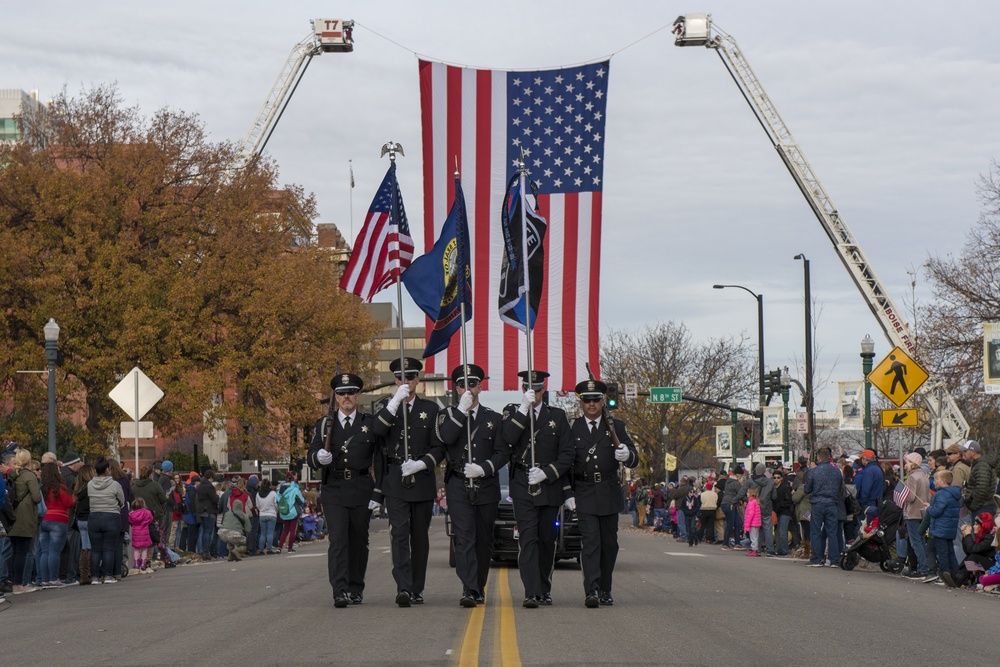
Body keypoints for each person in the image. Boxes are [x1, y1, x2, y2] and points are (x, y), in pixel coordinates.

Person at [371, 357, 443, 607]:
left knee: (419, 537)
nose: (407, 381)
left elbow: (439, 446)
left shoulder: (431, 409)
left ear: (418, 380)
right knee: (399, 534)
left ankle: (416, 587)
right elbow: (376, 433)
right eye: (401, 378)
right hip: (395, 480)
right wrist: (394, 403)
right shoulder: (386, 407)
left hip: (421, 479)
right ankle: (403, 587)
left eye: (411, 377)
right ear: (396, 380)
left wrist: (423, 463)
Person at [435, 364, 509, 608]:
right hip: (458, 484)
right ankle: (469, 588)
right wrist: (461, 411)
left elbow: (502, 453)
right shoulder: (447, 415)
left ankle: (478, 586)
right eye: (462, 384)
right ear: (455, 388)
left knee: (483, 539)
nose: (468, 388)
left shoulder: (493, 418)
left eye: (473, 384)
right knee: (464, 536)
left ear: (480, 386)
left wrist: (485, 467)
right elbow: (446, 438)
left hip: (485, 484)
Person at [501, 369, 574, 608]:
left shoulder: (558, 416)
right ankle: (531, 592)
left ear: (545, 390)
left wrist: (547, 472)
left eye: (539, 389)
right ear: (523, 389)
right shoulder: (512, 412)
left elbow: (567, 454)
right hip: (522, 483)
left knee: (546, 539)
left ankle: (544, 587)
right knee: (528, 538)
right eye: (529, 389)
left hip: (548, 483)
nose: (535, 392)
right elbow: (508, 439)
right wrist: (524, 408)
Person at [307, 372, 380, 608]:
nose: (346, 396)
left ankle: (355, 587)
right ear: (335, 397)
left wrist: (378, 492)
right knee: (338, 540)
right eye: (341, 393)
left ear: (358, 395)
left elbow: (380, 460)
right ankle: (340, 590)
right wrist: (319, 457)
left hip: (361, 488)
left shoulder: (370, 424)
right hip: (335, 489)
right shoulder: (323, 425)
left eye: (351, 392)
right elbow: (310, 458)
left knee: (359, 540)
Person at [568, 379, 638, 608]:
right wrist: (567, 493)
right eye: (586, 400)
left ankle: (606, 588)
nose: (591, 404)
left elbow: (634, 458)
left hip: (608, 491)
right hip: (585, 492)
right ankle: (592, 590)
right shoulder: (573, 427)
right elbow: (566, 463)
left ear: (602, 401)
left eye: (595, 399)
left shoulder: (616, 426)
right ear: (581, 403)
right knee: (590, 544)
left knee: (609, 545)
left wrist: (627, 454)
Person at [37, 461, 76, 589]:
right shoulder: (60, 486)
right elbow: (68, 502)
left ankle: (45, 579)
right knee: (55, 551)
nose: (60, 472)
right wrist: (75, 495)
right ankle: (54, 579)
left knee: (45, 551)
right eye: (58, 470)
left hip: (44, 520)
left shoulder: (41, 487)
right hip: (58, 520)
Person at [8, 450, 42, 594]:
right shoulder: (29, 475)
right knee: (22, 551)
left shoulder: (12, 474)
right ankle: (19, 585)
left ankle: (13, 581)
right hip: (25, 516)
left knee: (14, 552)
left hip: (11, 515)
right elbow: (37, 497)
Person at [88, 458, 126, 584]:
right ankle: (108, 575)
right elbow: (122, 500)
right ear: (106, 469)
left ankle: (94, 577)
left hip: (94, 517)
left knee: (95, 549)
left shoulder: (90, 484)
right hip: (111, 516)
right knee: (109, 548)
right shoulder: (115, 484)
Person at [805, 447, 844, 567]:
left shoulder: (814, 471)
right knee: (832, 532)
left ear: (819, 457)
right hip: (832, 504)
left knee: (815, 532)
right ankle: (834, 559)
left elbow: (807, 489)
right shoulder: (836, 471)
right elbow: (840, 489)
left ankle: (817, 558)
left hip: (817, 504)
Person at [942, 511, 997, 588]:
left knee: (974, 556)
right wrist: (965, 536)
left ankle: (958, 579)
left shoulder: (990, 537)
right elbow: (968, 551)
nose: (974, 526)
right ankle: (957, 578)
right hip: (985, 563)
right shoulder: (984, 535)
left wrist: (968, 535)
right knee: (971, 556)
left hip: (994, 565)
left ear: (982, 526)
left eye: (976, 524)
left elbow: (973, 550)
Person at [927, 469, 962, 583]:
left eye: (936, 479)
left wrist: (928, 508)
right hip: (950, 528)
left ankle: (945, 574)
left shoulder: (941, 494)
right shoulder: (954, 494)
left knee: (942, 553)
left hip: (940, 528)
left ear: (943, 481)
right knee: (950, 552)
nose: (934, 482)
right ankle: (956, 575)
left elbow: (937, 511)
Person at [900, 452, 931, 579]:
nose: (905, 466)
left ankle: (922, 568)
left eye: (907, 463)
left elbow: (911, 497)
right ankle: (926, 566)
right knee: (922, 541)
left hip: (913, 512)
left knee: (915, 542)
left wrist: (904, 490)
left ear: (912, 463)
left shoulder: (912, 478)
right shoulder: (923, 476)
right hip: (922, 512)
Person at [739, 464, 776, 556]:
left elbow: (742, 492)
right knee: (768, 529)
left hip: (756, 509)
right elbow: (774, 496)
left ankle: (757, 549)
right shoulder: (770, 482)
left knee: (756, 530)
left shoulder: (752, 481)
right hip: (766, 508)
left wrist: (734, 500)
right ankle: (770, 550)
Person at [73, 465, 95, 585]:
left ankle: (83, 574)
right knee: (91, 547)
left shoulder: (79, 488)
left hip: (80, 520)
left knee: (84, 547)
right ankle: (91, 573)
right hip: (89, 518)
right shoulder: (91, 487)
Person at [962, 440, 996, 517]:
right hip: (983, 507)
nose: (963, 453)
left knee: (979, 529)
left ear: (973, 452)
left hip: (983, 508)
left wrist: (973, 507)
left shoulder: (981, 466)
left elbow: (982, 489)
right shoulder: (978, 465)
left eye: (965, 451)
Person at [276, 473, 305, 554]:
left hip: (284, 511)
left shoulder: (279, 490)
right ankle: (290, 548)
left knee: (285, 530)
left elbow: (277, 500)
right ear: (292, 480)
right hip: (293, 511)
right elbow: (301, 501)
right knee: (292, 530)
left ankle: (279, 547)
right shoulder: (295, 489)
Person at [196, 469, 220, 561]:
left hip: (201, 510)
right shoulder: (209, 486)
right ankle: (206, 550)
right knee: (208, 532)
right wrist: (217, 495)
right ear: (210, 477)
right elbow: (214, 499)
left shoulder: (200, 485)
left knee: (203, 531)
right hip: (209, 510)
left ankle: (203, 550)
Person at [128, 497, 155, 574]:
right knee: (144, 549)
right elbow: (151, 519)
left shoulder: (131, 514)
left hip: (135, 533)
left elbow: (130, 521)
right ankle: (143, 563)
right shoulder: (147, 513)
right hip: (145, 532)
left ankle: (136, 563)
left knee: (136, 549)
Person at [773, 471, 794, 556]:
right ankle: (779, 549)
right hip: (777, 512)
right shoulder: (773, 488)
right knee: (778, 532)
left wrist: (780, 505)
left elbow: (789, 501)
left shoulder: (785, 487)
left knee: (782, 531)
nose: (776, 480)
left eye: (778, 477)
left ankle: (784, 550)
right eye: (774, 478)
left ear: (781, 478)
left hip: (785, 511)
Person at [256, 478, 279, 554]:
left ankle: (261, 549)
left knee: (263, 533)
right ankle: (269, 549)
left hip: (262, 514)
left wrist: (261, 510)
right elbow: (276, 504)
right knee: (270, 533)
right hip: (272, 514)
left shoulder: (258, 494)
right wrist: (276, 511)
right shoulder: (273, 493)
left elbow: (257, 505)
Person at [744, 486, 762, 557]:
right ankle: (756, 549)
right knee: (756, 536)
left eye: (748, 492)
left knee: (753, 537)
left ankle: (755, 549)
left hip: (753, 523)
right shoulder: (756, 501)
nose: (747, 493)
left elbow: (750, 515)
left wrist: (746, 526)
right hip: (756, 522)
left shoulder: (751, 502)